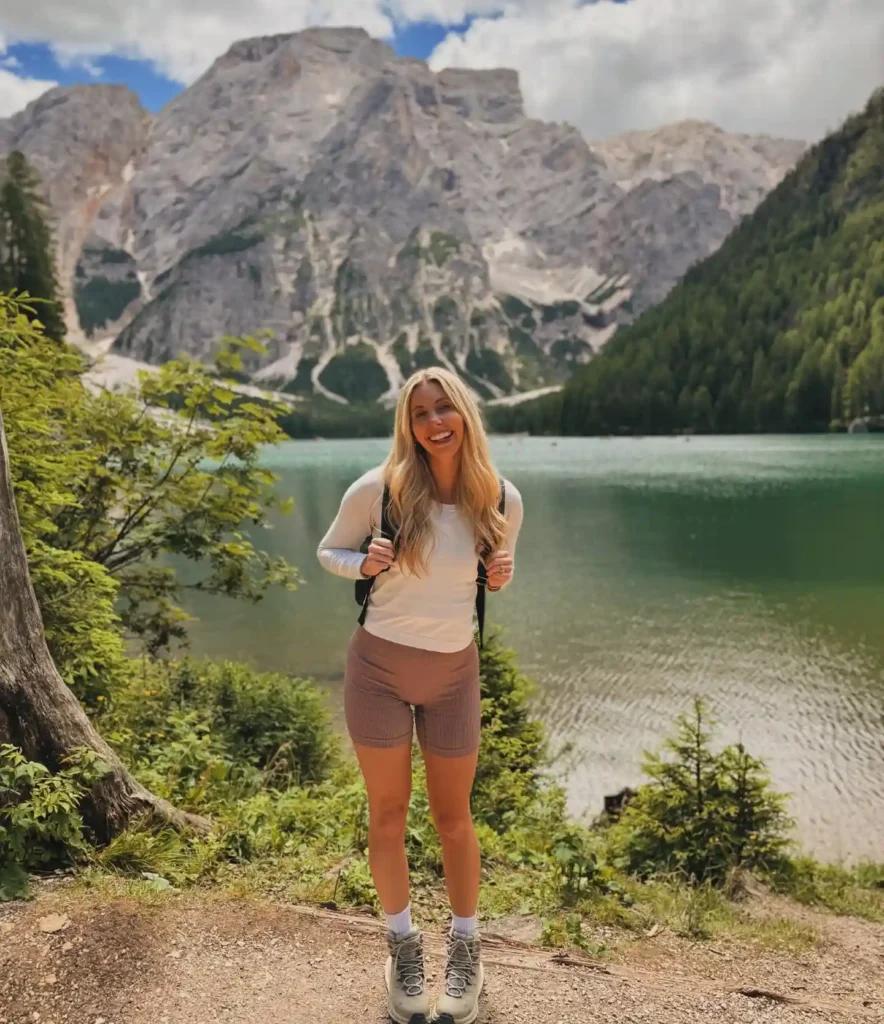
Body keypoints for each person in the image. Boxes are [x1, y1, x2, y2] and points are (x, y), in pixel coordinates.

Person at [317, 366, 523, 1024]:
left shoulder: (499, 498)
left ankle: (467, 947)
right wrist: (364, 562)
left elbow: (491, 579)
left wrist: (502, 573)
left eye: (445, 408)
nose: (435, 422)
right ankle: (402, 947)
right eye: (420, 412)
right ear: (407, 424)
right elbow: (329, 551)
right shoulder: (378, 490)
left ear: (464, 413)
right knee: (388, 815)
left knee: (454, 819)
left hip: (454, 674)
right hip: (377, 668)